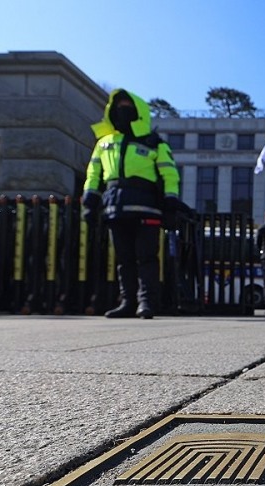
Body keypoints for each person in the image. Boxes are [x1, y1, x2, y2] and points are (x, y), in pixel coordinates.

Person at [81, 89, 181, 319]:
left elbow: (170, 175)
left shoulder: (154, 142)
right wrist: (90, 201)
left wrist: (171, 201)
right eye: (119, 107)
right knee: (124, 259)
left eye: (128, 107)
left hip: (147, 207)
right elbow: (93, 173)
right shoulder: (104, 143)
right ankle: (127, 302)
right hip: (116, 207)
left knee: (147, 257)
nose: (122, 111)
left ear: (138, 111)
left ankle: (146, 303)